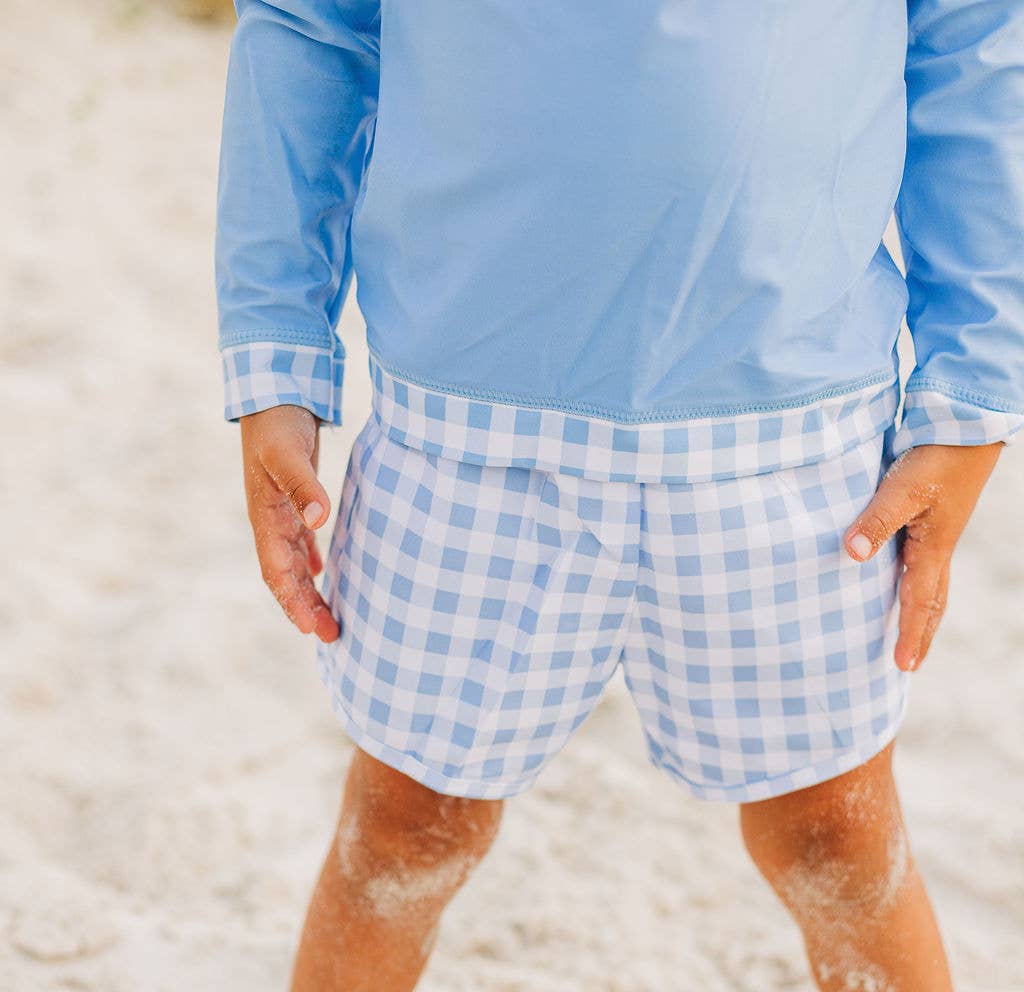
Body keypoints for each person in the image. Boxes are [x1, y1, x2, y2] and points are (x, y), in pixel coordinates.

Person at [215, 2, 1024, 989]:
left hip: (793, 449)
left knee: (838, 845)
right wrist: (277, 352)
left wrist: (974, 381)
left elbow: (974, 41)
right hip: (463, 437)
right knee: (401, 835)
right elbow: (310, 29)